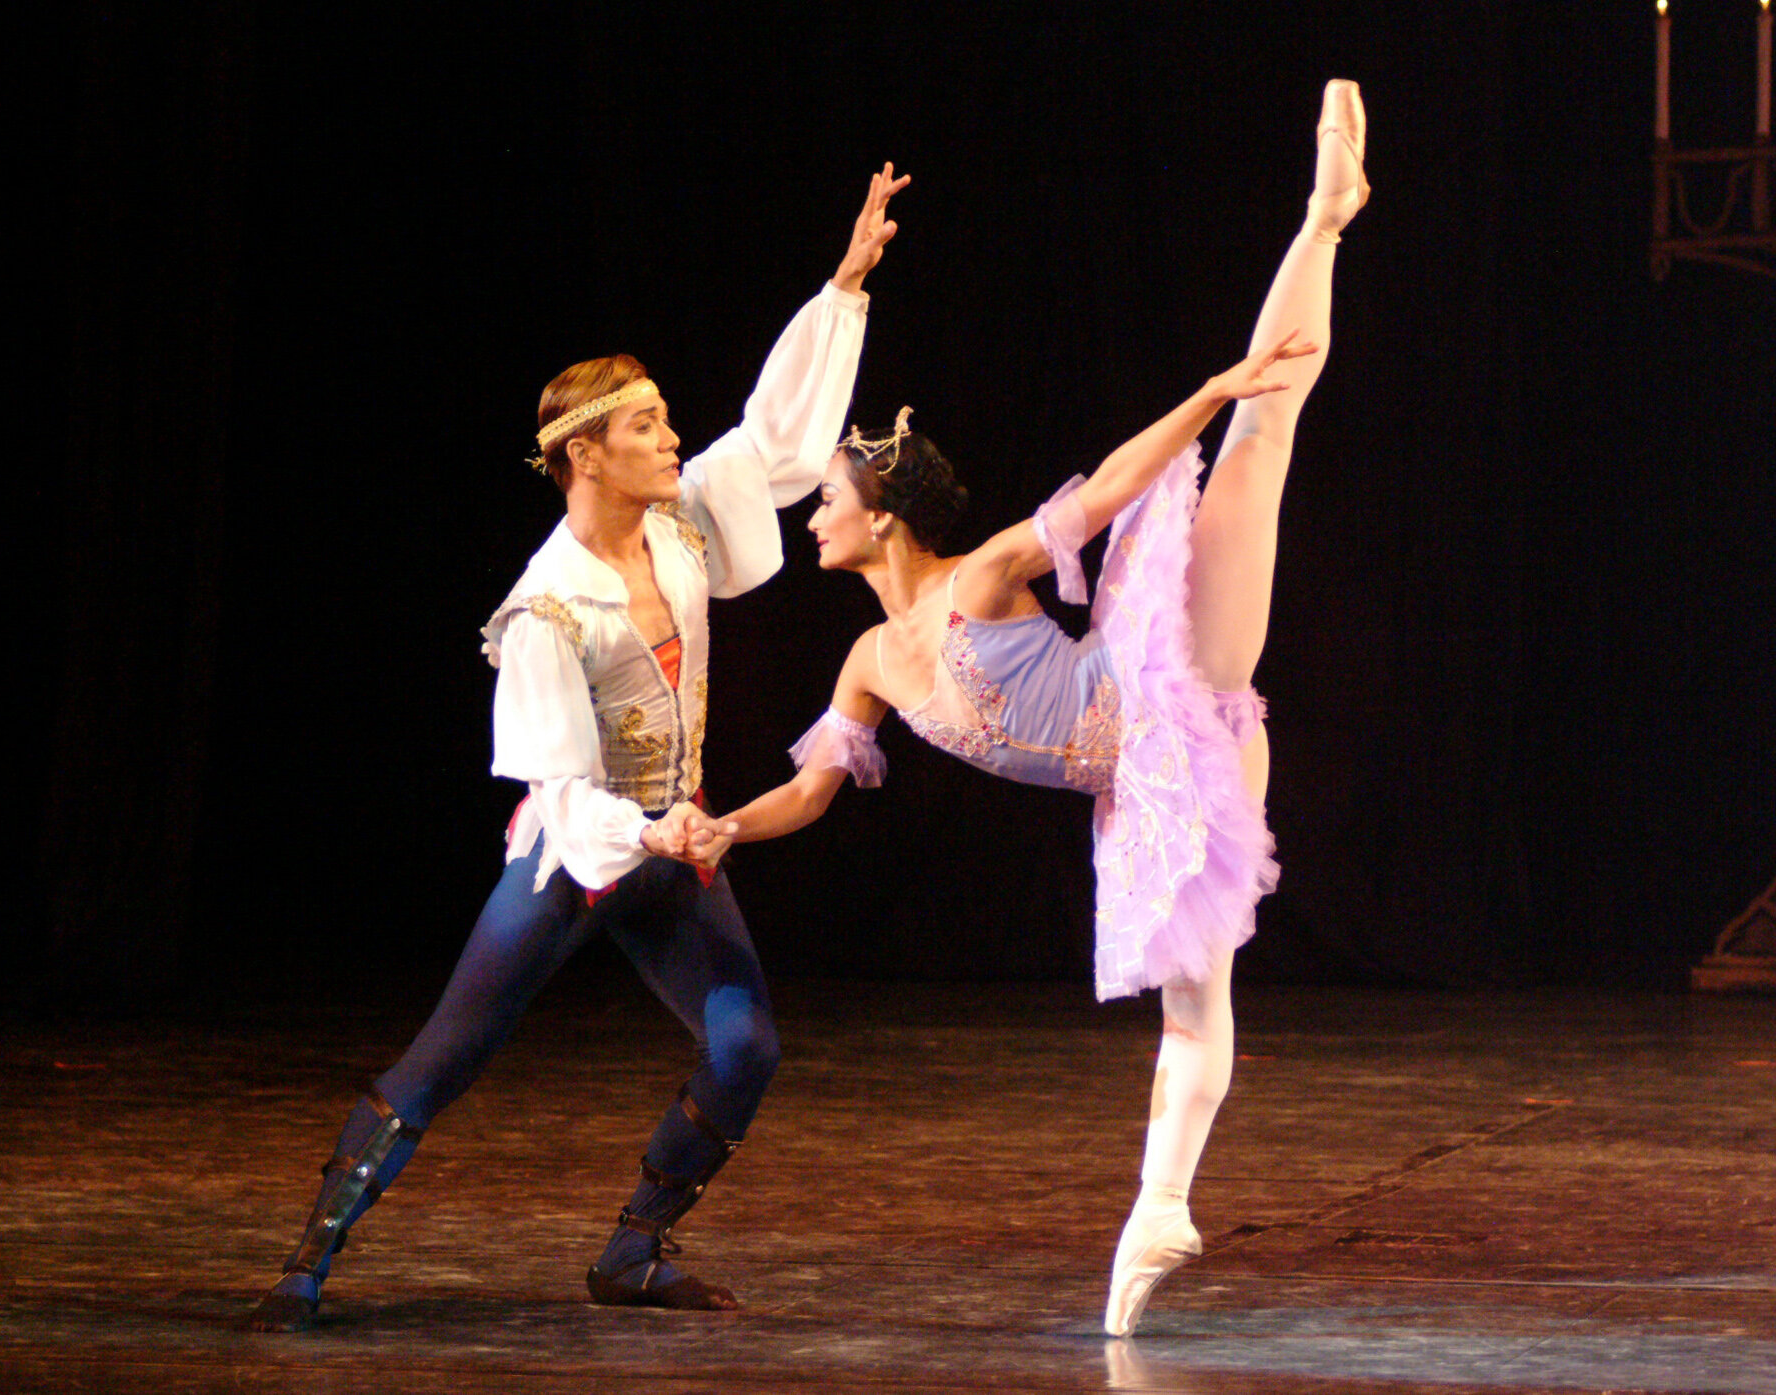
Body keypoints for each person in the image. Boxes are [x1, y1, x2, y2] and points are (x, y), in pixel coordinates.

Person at [709, 82, 1366, 1336]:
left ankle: (1323, 222)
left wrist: (1216, 385)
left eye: (830, 499)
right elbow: (808, 789)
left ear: (882, 517)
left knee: (1259, 437)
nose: (815, 515)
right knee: (1193, 1000)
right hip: (1144, 778)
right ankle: (1158, 1213)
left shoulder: (981, 577)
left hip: (1164, 675)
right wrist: (720, 830)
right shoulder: (867, 663)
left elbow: (1118, 485)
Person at [246, 164, 911, 1331]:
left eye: (663, 418)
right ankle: (310, 1260)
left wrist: (845, 288)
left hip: (674, 840)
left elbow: (777, 441)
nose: (671, 437)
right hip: (575, 852)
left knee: (747, 1045)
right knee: (450, 1055)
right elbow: (557, 783)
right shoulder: (544, 608)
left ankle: (633, 1251)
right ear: (586, 455)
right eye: (646, 425)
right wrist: (653, 830)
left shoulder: (682, 519)